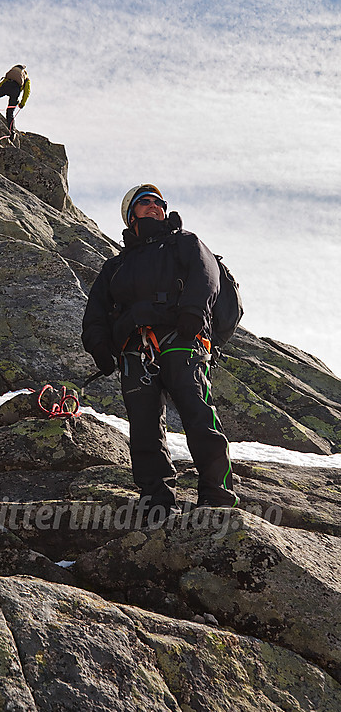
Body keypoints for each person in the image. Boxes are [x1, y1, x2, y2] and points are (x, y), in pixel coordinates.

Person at [82, 183, 239, 514]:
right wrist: (99, 347)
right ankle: (157, 502)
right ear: (131, 216)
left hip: (182, 339)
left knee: (198, 415)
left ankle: (216, 497)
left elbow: (206, 274)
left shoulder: (184, 242)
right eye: (144, 202)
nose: (154, 206)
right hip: (134, 352)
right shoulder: (116, 266)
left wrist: (193, 313)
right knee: (144, 429)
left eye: (158, 202)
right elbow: (96, 311)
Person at [0, 64, 30, 138]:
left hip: (7, 85)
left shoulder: (13, 72)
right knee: (10, 112)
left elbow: (4, 81)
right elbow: (27, 91)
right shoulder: (26, 79)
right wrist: (22, 103)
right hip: (15, 90)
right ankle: (12, 131)